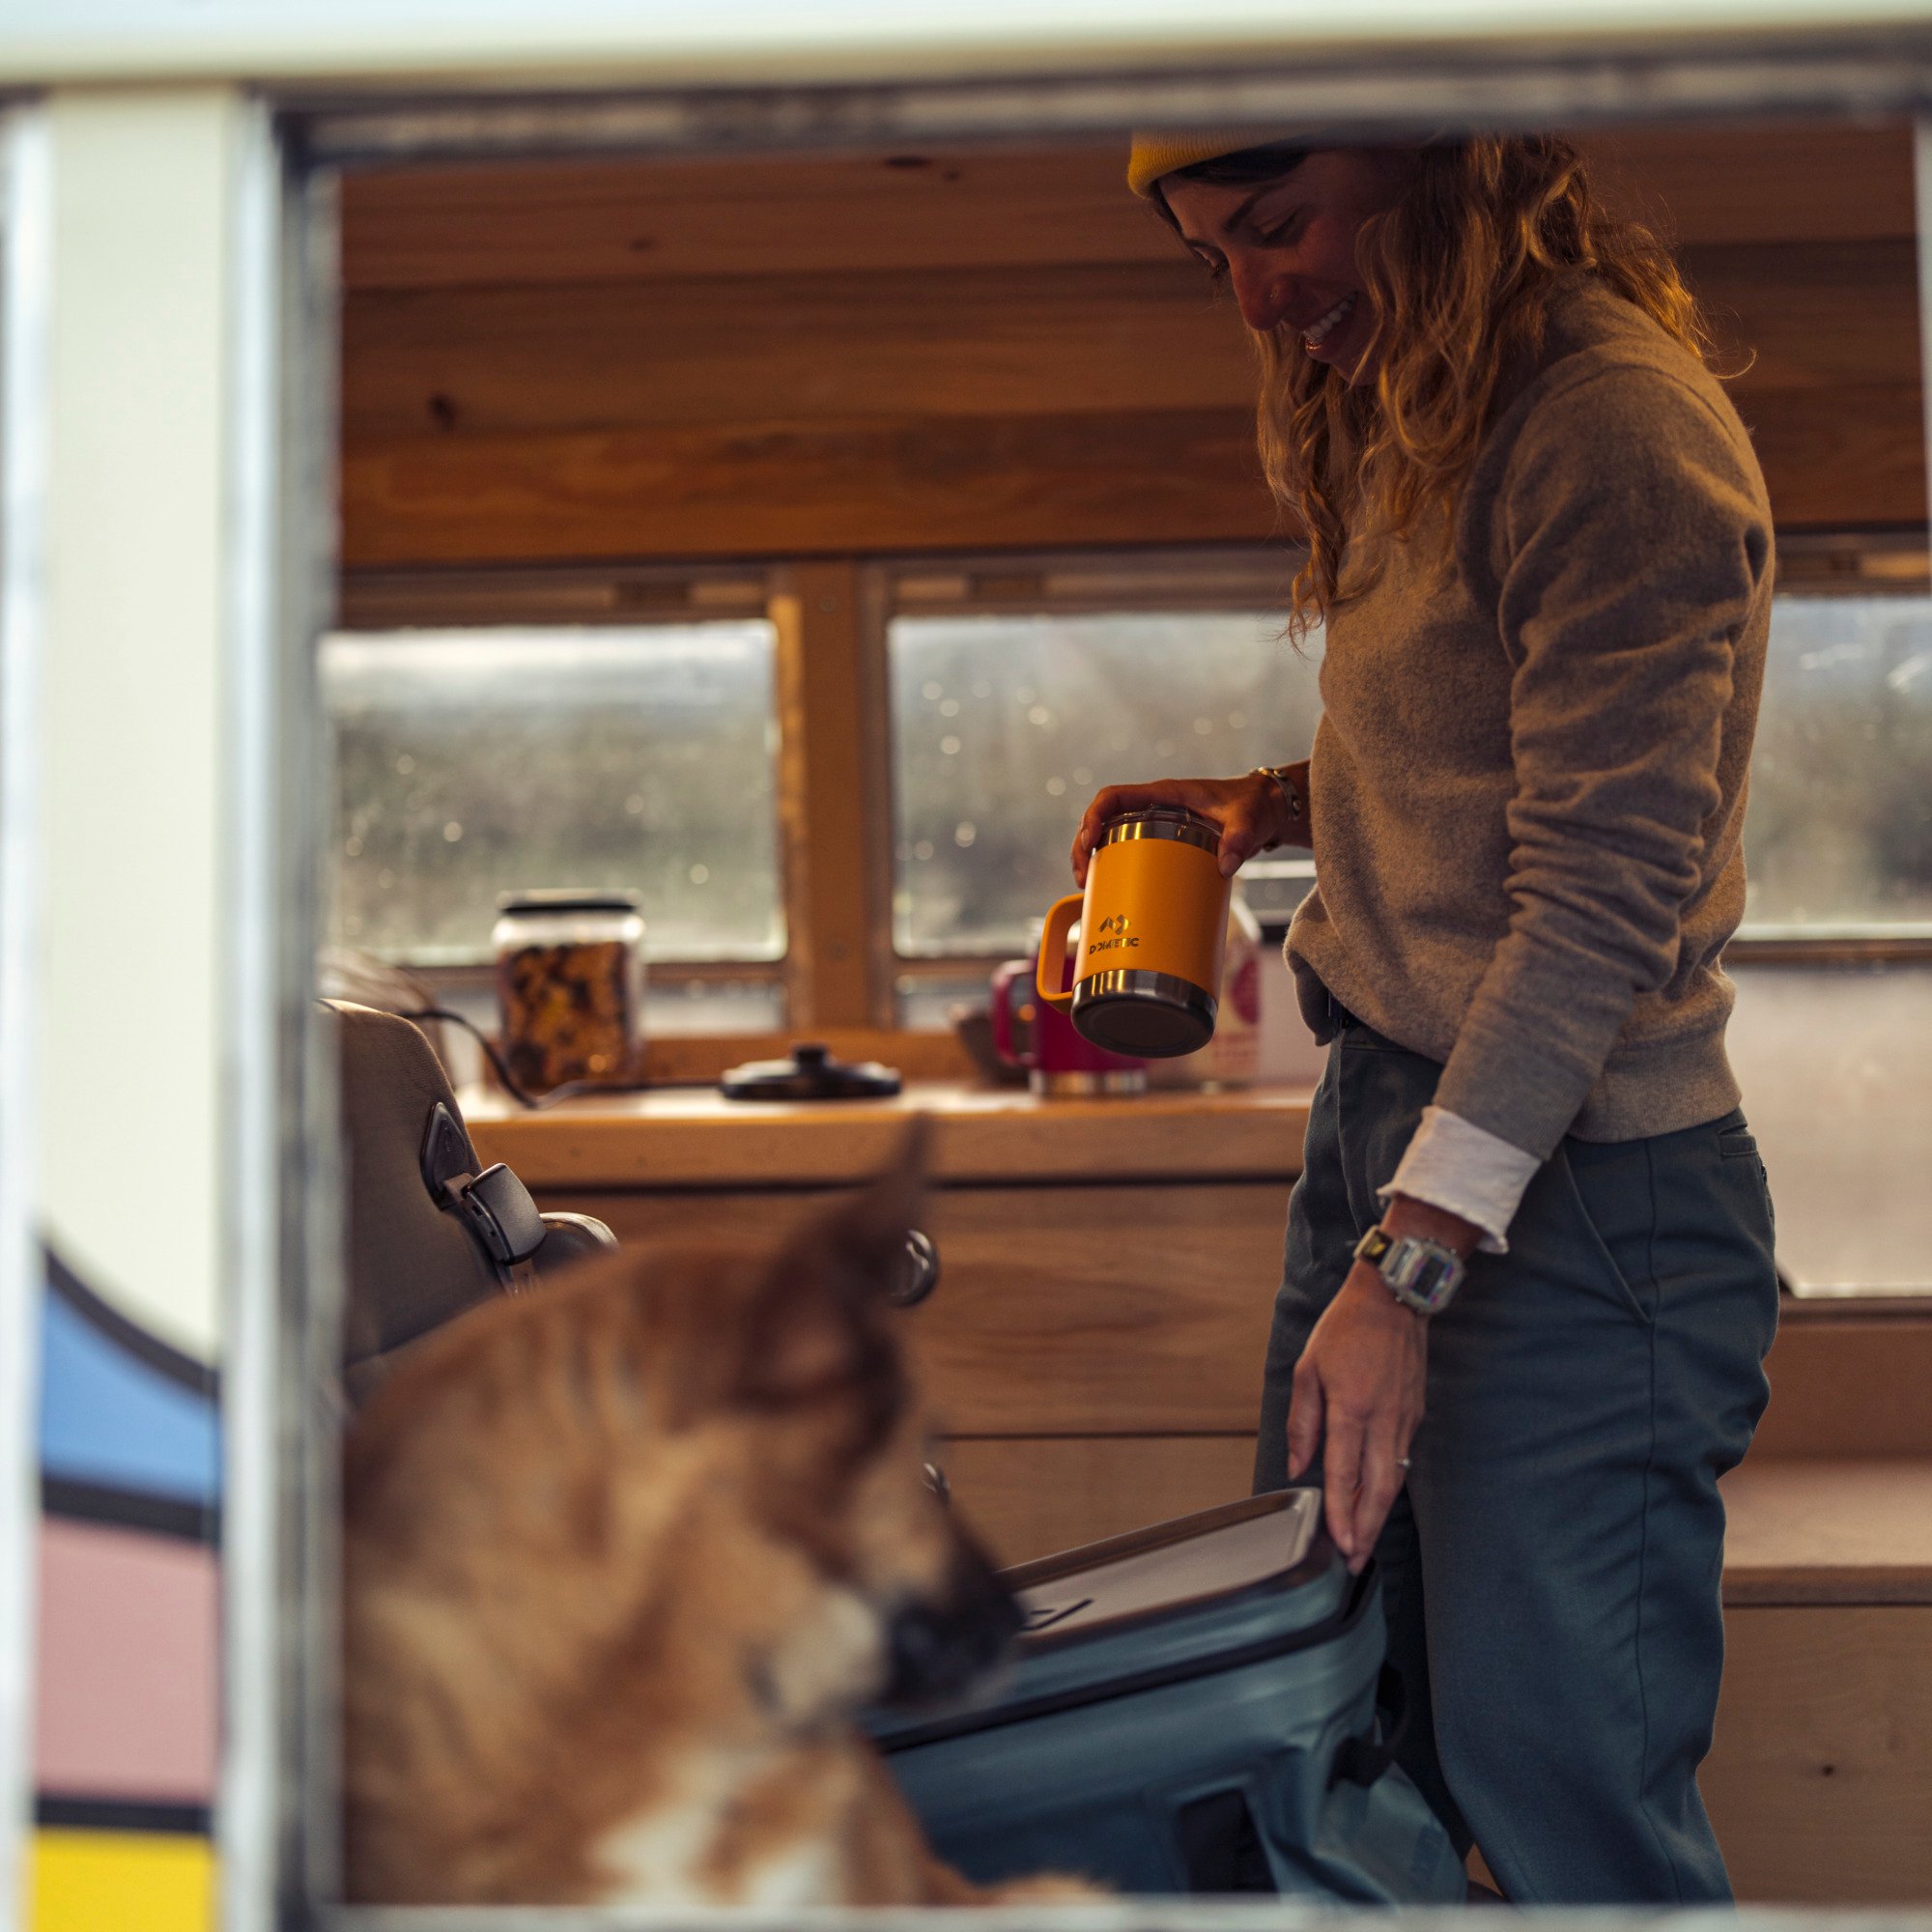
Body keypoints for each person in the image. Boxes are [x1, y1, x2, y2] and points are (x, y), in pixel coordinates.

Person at [1070, 133, 1780, 1905]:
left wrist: (1407, 1273)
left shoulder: (1612, 430)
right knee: (1322, 1738)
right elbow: (1482, 765)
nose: (1257, 299)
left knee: (1566, 1816)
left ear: (1438, 156)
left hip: (1578, 1204)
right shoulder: (1433, 399)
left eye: (1281, 228)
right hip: (1398, 1147)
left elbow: (1602, 891)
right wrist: (1262, 805)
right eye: (1215, 259)